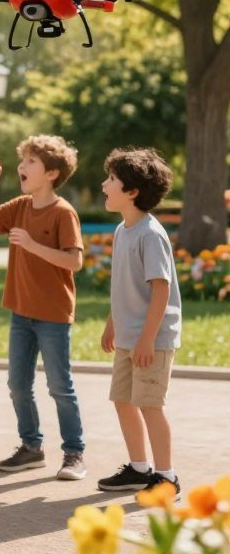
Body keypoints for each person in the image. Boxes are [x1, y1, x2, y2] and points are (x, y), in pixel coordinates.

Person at [0, 135, 87, 481]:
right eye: (22, 161)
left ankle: (74, 453)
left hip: (53, 314)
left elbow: (74, 261)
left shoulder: (64, 212)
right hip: (21, 312)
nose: (22, 167)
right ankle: (31, 448)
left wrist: (33, 246)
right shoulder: (20, 206)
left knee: (59, 386)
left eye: (30, 162)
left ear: (51, 173)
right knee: (18, 384)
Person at [97, 148, 182, 496]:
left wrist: (147, 339)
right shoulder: (122, 230)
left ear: (131, 192)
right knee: (122, 400)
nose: (104, 184)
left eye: (111, 180)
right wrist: (111, 323)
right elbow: (122, 285)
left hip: (152, 340)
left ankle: (166, 477)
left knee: (150, 405)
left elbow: (160, 292)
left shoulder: (150, 234)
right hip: (129, 337)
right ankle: (138, 467)